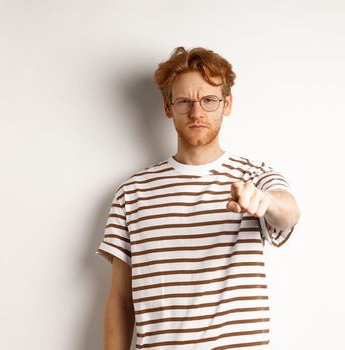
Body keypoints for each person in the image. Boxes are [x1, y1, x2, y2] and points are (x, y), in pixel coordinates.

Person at [97, 46, 301, 350]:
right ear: (168, 107)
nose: (197, 112)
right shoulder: (133, 192)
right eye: (185, 101)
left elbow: (289, 211)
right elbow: (120, 302)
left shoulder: (254, 177)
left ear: (227, 104)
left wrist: (266, 202)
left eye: (209, 100)